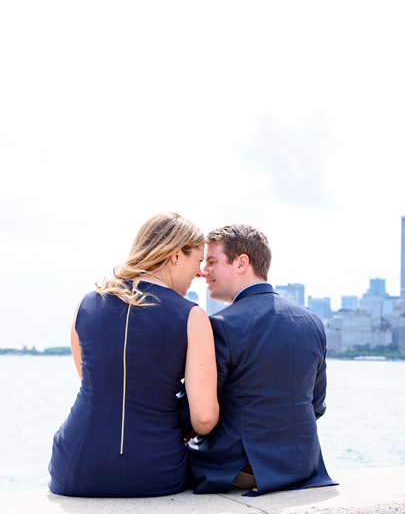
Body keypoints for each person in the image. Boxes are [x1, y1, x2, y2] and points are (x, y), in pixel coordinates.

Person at [49, 213, 219, 497]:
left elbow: (92, 379)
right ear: (176, 255)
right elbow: (204, 418)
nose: (201, 272)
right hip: (154, 472)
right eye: (198, 260)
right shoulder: (192, 316)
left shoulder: (86, 304)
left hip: (74, 468)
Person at [186, 224, 336, 496]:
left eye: (211, 262)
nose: (203, 272)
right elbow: (316, 405)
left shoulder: (220, 325)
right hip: (301, 468)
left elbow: (193, 411)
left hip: (241, 470)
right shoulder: (312, 321)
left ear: (242, 262)